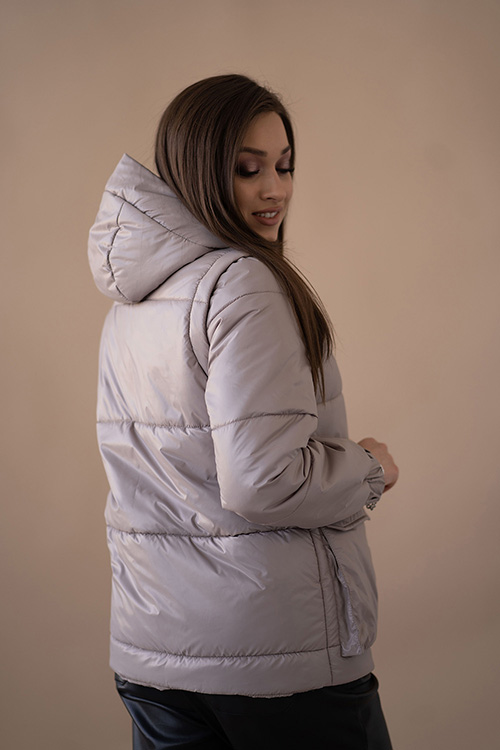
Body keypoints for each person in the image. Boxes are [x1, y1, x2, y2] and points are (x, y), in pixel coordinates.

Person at [88, 74, 399, 749]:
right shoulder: (243, 284)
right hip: (273, 657)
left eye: (284, 166)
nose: (274, 190)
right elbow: (263, 482)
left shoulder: (133, 302)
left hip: (154, 652)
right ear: (198, 170)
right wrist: (369, 468)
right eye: (247, 169)